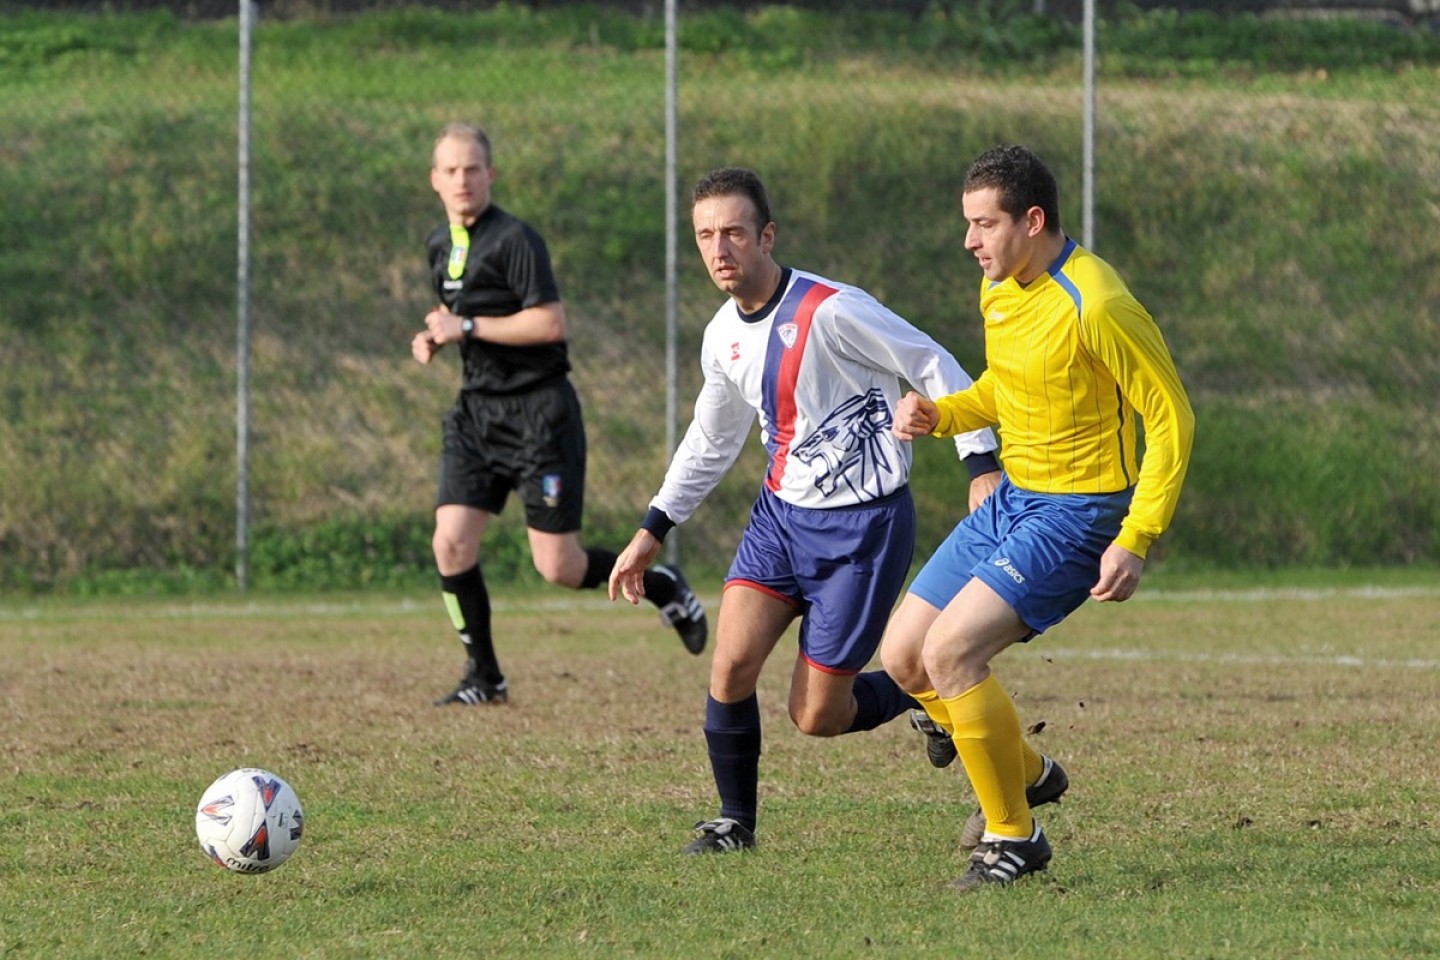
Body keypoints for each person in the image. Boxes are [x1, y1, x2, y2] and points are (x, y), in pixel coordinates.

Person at [608, 167, 1002, 854]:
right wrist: (654, 527)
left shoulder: (832, 309)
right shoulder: (722, 335)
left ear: (767, 235)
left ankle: (919, 693)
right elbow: (713, 436)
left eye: (733, 232)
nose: (719, 249)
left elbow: (933, 363)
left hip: (864, 530)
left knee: (816, 716)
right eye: (705, 235)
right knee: (729, 666)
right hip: (781, 521)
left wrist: (980, 464)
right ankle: (735, 823)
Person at [881, 144, 1195, 891]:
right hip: (1017, 499)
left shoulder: (1099, 304)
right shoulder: (1000, 288)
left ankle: (1014, 836)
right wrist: (944, 413)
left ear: (1033, 219)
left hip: (1081, 513)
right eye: (967, 224)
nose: (969, 241)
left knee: (952, 654)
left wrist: (1137, 536)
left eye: (983, 224)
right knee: (902, 656)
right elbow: (1007, 389)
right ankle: (1028, 773)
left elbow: (1172, 418)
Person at [412, 122, 707, 707]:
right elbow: (459, 313)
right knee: (450, 543)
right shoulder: (440, 245)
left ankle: (663, 582)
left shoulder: (517, 240)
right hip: (476, 415)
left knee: (559, 566)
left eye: (473, 169)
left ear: (490, 175)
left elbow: (549, 323)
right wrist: (437, 337)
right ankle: (485, 676)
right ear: (435, 181)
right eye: (451, 170)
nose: (462, 180)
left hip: (539, 416)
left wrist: (465, 326)